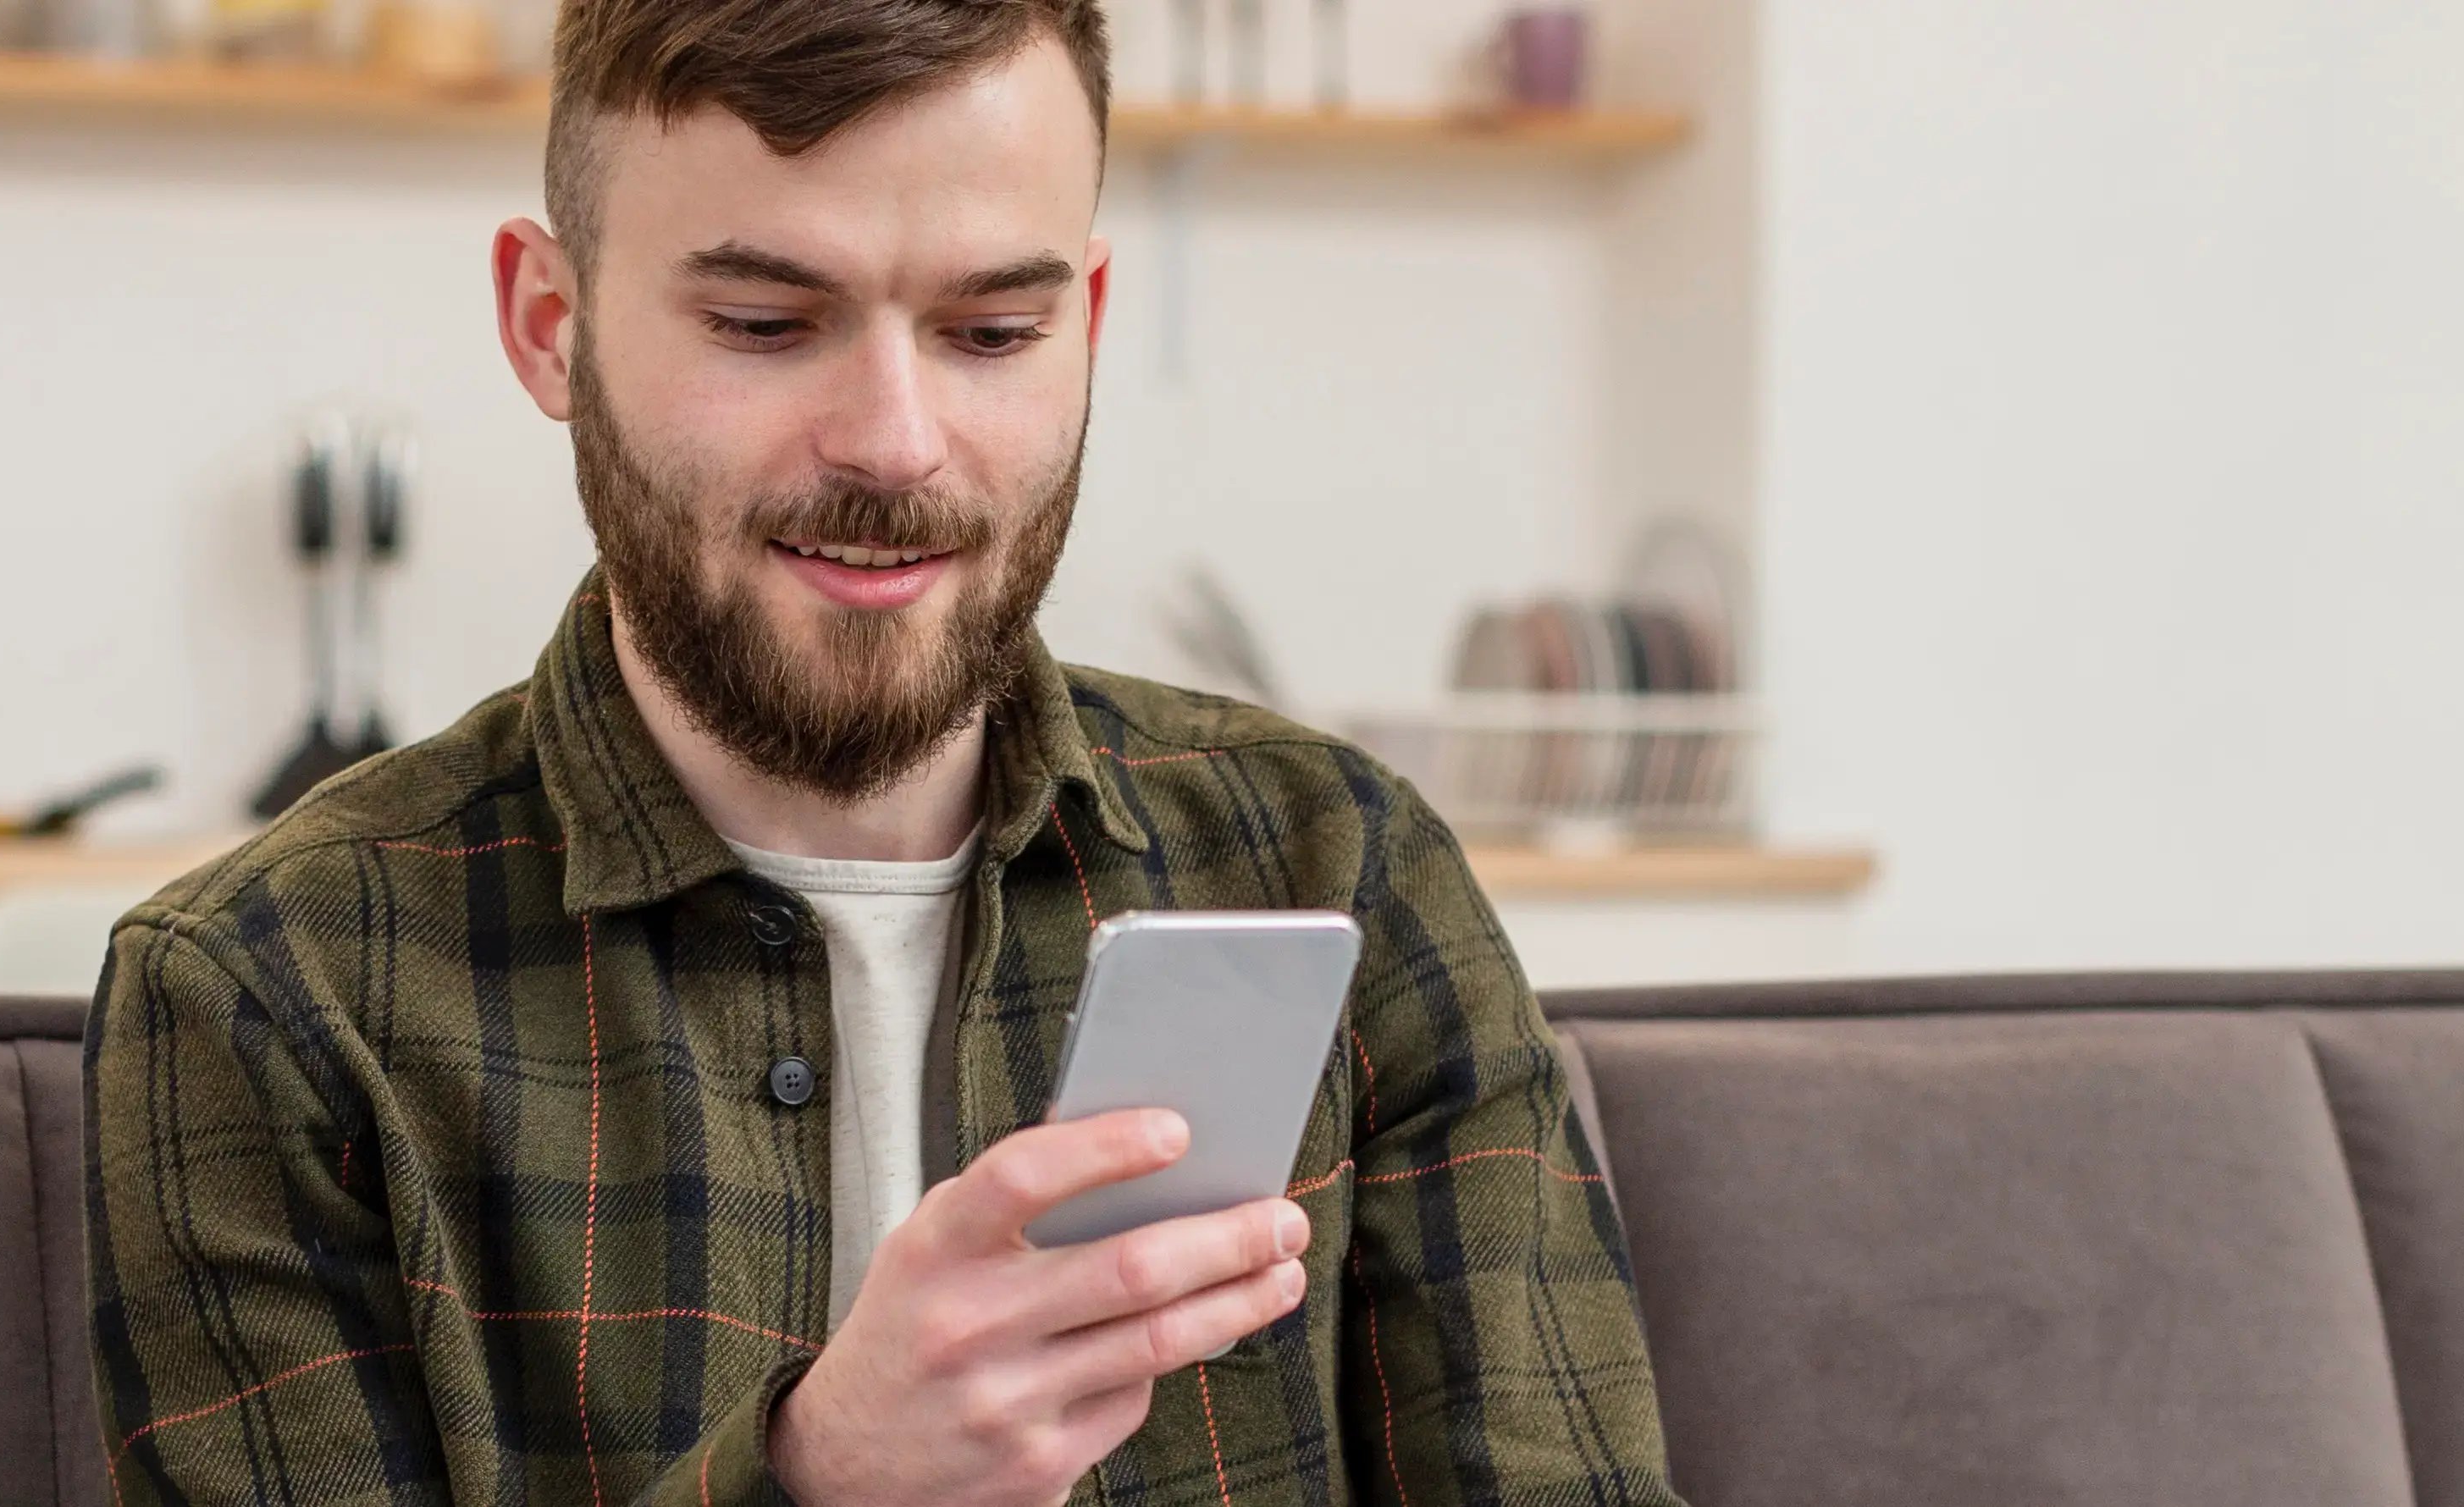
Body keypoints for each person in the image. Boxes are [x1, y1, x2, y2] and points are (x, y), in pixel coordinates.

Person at [83, 2, 1686, 1502]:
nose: (896, 441)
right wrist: (815, 1480)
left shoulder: (1344, 868)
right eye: (768, 323)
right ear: (550, 324)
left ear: (1089, 324)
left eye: (992, 333)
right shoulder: (268, 996)